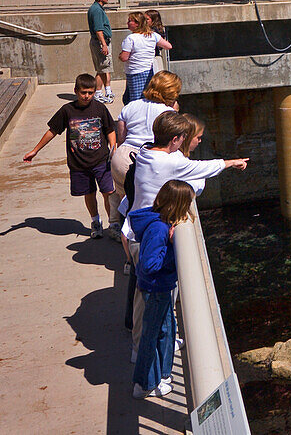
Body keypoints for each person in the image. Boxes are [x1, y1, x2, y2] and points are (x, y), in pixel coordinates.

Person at [125, 111, 248, 352]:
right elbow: (200, 169)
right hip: (150, 234)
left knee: (151, 296)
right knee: (148, 299)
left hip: (137, 229)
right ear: (175, 140)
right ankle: (140, 350)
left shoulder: (145, 152)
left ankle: (161, 340)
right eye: (184, 138)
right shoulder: (169, 162)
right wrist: (230, 163)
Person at [23, 74, 116, 239]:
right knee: (89, 193)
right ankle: (96, 222)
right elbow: (52, 130)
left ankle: (114, 224)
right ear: (76, 91)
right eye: (83, 92)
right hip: (79, 164)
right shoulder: (67, 110)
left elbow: (110, 129)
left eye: (90, 92)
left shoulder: (100, 108)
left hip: (101, 160)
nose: (87, 96)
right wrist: (35, 150)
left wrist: (113, 148)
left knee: (108, 192)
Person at [129, 179, 194, 399]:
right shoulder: (158, 229)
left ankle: (162, 374)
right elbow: (149, 265)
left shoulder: (158, 222)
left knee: (165, 329)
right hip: (156, 288)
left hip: (159, 288)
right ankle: (145, 384)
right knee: (152, 334)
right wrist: (173, 252)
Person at [112, 71, 180, 248]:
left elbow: (121, 137)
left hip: (122, 157)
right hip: (144, 160)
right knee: (148, 208)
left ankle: (126, 247)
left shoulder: (130, 106)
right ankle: (142, 248)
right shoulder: (168, 113)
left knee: (125, 203)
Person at [120, 11, 172, 106]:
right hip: (149, 71)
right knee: (146, 98)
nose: (127, 23)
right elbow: (168, 46)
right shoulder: (153, 35)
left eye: (130, 21)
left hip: (134, 72)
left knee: (135, 101)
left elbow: (124, 57)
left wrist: (120, 55)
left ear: (137, 24)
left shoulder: (131, 38)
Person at [87, 0, 114, 103]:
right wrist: (104, 44)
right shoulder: (97, 10)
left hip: (101, 41)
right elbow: (99, 30)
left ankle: (105, 91)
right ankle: (97, 93)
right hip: (100, 42)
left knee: (104, 68)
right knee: (102, 69)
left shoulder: (97, 9)